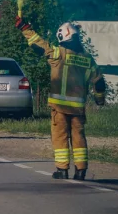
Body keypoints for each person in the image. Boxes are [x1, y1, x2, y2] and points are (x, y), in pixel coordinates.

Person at [17, 17, 106, 180]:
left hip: (59, 108)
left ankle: (62, 169)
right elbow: (99, 82)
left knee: (60, 137)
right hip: (78, 108)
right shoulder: (87, 59)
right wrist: (100, 100)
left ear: (62, 38)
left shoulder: (59, 53)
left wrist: (25, 28)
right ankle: (81, 171)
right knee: (79, 138)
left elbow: (39, 45)